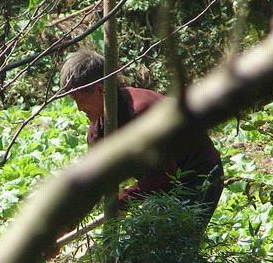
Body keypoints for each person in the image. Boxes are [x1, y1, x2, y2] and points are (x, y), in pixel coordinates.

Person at [59, 48, 223, 222]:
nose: (78, 108)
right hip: (163, 183)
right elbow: (93, 183)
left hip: (199, 176)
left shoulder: (143, 114)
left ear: (100, 90)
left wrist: (123, 200)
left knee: (177, 242)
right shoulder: (98, 131)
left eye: (80, 100)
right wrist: (63, 227)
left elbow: (163, 174)